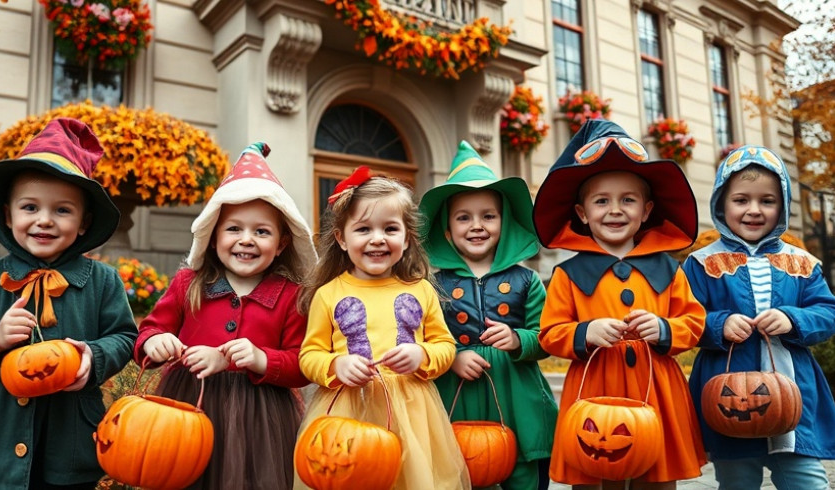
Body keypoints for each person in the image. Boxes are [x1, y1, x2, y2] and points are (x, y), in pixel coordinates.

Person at [0, 118, 137, 490]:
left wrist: (91, 358)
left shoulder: (102, 281)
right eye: (30, 207)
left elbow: (124, 337)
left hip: (70, 443)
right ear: (8, 215)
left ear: (84, 222)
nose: (44, 221)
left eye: (62, 210)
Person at [533, 120, 706, 489]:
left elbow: (693, 321)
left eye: (628, 200)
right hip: (595, 386)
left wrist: (663, 328)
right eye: (601, 201)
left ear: (646, 211)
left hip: (656, 385)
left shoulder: (668, 269)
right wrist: (585, 332)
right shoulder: (568, 274)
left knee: (656, 475)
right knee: (597, 466)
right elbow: (549, 334)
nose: (615, 210)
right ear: (582, 214)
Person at [134, 143, 317, 490]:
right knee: (185, 474)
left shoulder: (291, 296)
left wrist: (261, 359)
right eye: (234, 229)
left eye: (261, 232)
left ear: (280, 244)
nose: (246, 240)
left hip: (262, 418)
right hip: (185, 404)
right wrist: (155, 342)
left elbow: (300, 364)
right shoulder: (189, 283)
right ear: (215, 235)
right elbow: (151, 330)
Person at [296, 166, 471, 490]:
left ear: (406, 240)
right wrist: (336, 364)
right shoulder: (329, 294)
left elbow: (445, 346)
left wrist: (421, 354)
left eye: (390, 229)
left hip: (413, 413)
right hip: (347, 411)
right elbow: (309, 355)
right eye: (363, 229)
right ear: (342, 239)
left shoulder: (420, 289)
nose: (377, 238)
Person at [683, 145, 835, 489]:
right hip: (729, 396)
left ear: (782, 205)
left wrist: (793, 319)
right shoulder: (701, 263)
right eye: (741, 200)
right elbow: (683, 317)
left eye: (767, 201)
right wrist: (718, 324)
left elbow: (828, 312)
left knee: (807, 480)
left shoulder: (801, 262)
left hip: (794, 395)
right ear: (722, 203)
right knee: (737, 481)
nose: (754, 210)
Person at [419, 140, 557, 490]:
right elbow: (423, 338)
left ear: (504, 223)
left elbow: (547, 336)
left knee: (523, 473)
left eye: (488, 216)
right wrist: (451, 357)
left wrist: (517, 340)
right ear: (447, 229)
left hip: (517, 396)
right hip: (457, 394)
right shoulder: (432, 286)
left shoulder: (527, 280)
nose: (476, 225)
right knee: (464, 468)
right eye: (464, 217)